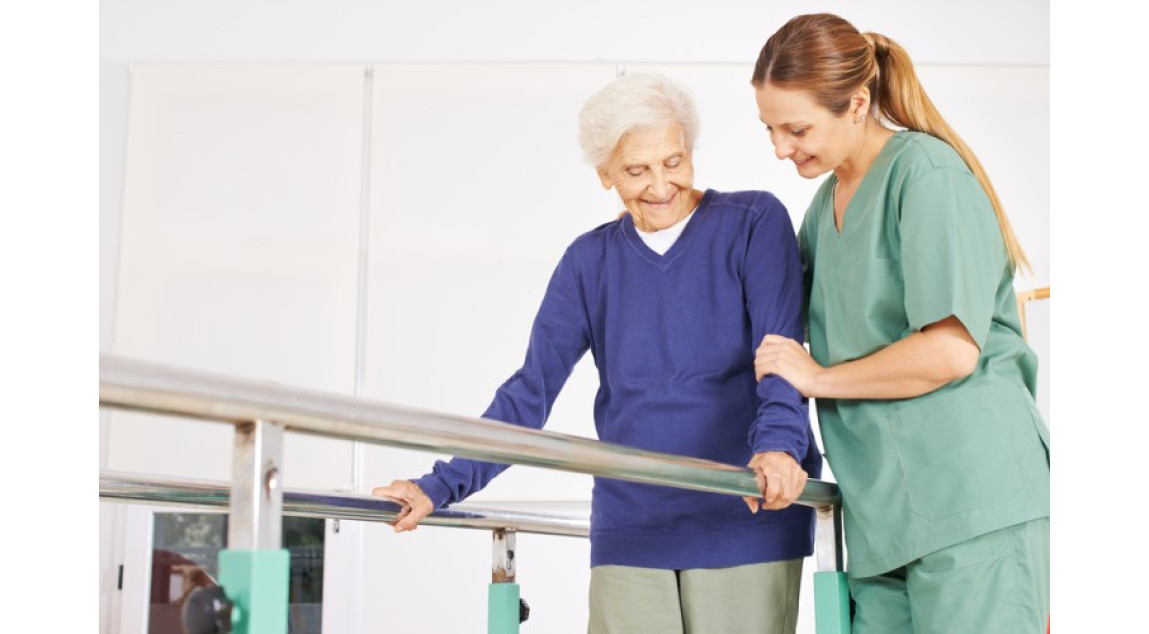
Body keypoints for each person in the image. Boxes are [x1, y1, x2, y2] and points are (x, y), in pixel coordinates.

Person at [373, 72, 822, 634]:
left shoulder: (754, 222)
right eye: (637, 170)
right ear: (605, 174)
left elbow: (781, 355)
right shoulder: (588, 262)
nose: (661, 185)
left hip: (744, 510)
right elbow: (528, 393)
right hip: (632, 525)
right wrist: (440, 484)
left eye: (674, 162)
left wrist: (780, 448)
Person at [749, 13, 1050, 634]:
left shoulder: (926, 175)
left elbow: (950, 352)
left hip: (972, 501)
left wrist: (817, 378)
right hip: (883, 517)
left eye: (796, 128)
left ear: (856, 103)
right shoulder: (822, 208)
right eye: (770, 130)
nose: (781, 147)